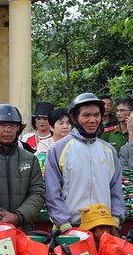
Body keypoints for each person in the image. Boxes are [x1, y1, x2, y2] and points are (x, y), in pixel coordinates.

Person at [44, 93, 124, 237]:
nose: (92, 120)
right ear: (74, 118)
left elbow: (116, 190)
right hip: (71, 228)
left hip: (103, 229)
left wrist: (116, 222)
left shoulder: (108, 150)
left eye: (96, 115)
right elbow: (52, 193)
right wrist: (65, 226)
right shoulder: (57, 149)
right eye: (86, 115)